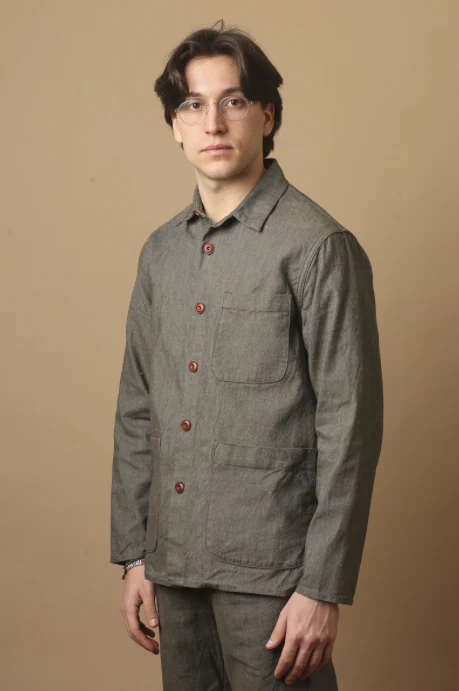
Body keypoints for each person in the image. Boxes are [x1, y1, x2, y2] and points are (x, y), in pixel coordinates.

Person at [110, 18, 384, 690]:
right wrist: (136, 556)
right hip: (173, 567)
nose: (213, 123)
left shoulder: (318, 247)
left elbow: (349, 425)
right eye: (193, 105)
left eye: (232, 101)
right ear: (174, 125)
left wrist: (321, 586)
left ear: (267, 115)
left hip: (275, 578)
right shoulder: (160, 253)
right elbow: (138, 407)